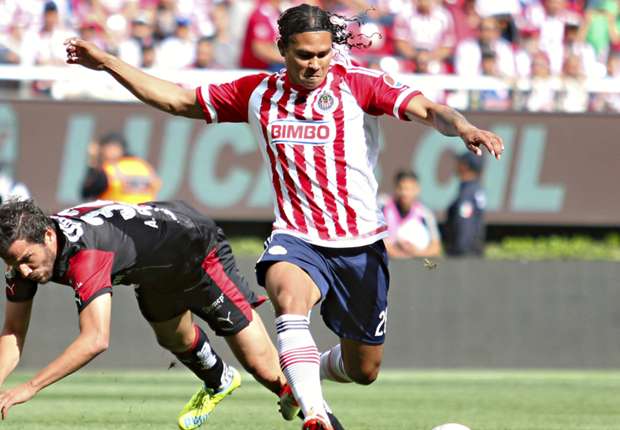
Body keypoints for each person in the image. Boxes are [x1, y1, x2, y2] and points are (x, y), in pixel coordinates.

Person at [64, 4, 504, 429]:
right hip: (297, 237)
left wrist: (463, 126)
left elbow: (428, 109)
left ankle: (302, 382)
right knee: (289, 301)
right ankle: (314, 416)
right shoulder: (258, 93)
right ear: (282, 50)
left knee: (364, 368)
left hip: (360, 244)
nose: (314, 65)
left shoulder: (359, 85)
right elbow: (179, 100)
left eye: (322, 54)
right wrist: (107, 62)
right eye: (304, 55)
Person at [0, 199, 294, 429]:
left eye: (27, 259)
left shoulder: (86, 255)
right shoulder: (26, 257)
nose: (23, 271)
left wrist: (29, 388)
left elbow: (95, 340)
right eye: (14, 262)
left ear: (49, 235)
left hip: (196, 250)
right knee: (173, 339)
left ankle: (311, 408)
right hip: (154, 270)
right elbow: (13, 331)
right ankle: (220, 379)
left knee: (266, 372)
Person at [80, 132, 161, 204]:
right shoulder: (143, 165)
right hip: (145, 215)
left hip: (117, 216)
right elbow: (157, 184)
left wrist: (92, 159)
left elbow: (86, 192)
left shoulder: (109, 168)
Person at [382, 170, 441, 259]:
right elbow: (380, 243)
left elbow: (436, 247)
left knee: (431, 266)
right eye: (401, 188)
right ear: (395, 188)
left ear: (417, 190)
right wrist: (399, 254)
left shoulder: (425, 214)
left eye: (409, 189)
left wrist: (416, 254)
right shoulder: (384, 208)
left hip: (416, 265)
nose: (405, 193)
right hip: (389, 265)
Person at [444, 151, 486, 257]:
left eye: (459, 162)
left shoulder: (467, 193)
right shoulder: (476, 189)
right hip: (473, 253)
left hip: (465, 256)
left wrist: (460, 253)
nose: (456, 165)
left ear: (465, 166)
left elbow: (465, 225)